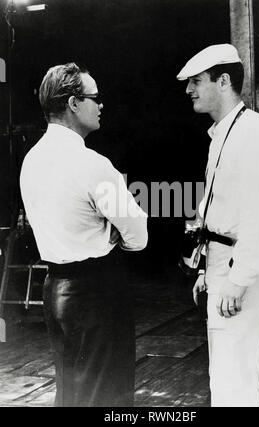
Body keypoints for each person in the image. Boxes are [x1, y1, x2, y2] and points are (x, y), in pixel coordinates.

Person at [20, 63, 148, 407]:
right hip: (97, 291)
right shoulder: (92, 164)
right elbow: (138, 234)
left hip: (55, 290)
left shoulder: (31, 161)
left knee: (71, 391)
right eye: (94, 97)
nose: (100, 105)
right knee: (108, 393)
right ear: (74, 104)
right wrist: (114, 235)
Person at [177, 44, 259, 407]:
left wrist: (237, 281)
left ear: (223, 81)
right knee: (224, 375)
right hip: (225, 266)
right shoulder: (226, 133)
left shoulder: (254, 133)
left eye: (196, 82)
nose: (189, 90)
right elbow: (221, 213)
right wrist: (207, 268)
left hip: (241, 272)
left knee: (233, 380)